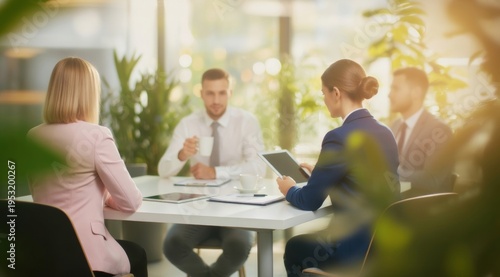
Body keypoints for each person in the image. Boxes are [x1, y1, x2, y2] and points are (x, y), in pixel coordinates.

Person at [276, 59, 400, 276]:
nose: (324, 100)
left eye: (323, 93)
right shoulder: (385, 132)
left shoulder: (338, 137)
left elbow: (309, 200)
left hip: (350, 250)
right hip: (381, 247)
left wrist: (290, 189)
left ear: (336, 92)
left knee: (295, 247)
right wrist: (322, 173)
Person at [26, 57, 148, 277]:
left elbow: (42, 192)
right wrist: (108, 197)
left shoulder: (32, 136)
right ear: (89, 94)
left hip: (42, 256)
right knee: (137, 253)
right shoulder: (97, 136)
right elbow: (131, 202)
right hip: (86, 259)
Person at [158, 68, 266, 276]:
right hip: (197, 208)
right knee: (172, 245)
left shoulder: (247, 122)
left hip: (237, 208)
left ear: (230, 93)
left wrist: (215, 172)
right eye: (210, 93)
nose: (216, 100)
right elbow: (163, 170)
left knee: (239, 246)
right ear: (201, 93)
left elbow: (258, 167)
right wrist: (181, 154)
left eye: (221, 93)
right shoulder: (188, 124)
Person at [388, 67, 454, 197]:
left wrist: (390, 174)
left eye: (396, 88)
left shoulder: (439, 131)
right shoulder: (394, 126)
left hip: (420, 210)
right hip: (391, 203)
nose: (389, 94)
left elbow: (433, 179)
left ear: (416, 93)